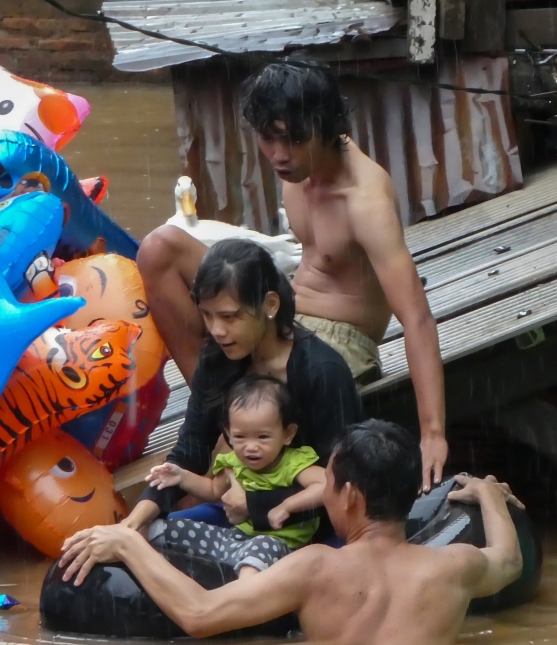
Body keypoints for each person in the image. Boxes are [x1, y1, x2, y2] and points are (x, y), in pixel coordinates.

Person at [137, 56, 449, 491]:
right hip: (286, 309)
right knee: (158, 250)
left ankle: (241, 434)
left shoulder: (364, 201)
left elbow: (416, 316)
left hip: (341, 339)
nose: (279, 155)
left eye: (294, 140)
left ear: (325, 128)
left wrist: (432, 434)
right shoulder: (296, 169)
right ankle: (223, 418)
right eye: (269, 139)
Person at [58, 420, 525, 645]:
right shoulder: (456, 566)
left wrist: (128, 543)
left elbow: (199, 614)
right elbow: (509, 560)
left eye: (331, 484)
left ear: (353, 498)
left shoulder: (316, 568)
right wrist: (488, 493)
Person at [120, 238, 363, 535]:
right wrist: (134, 522)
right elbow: (191, 449)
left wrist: (255, 504)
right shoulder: (218, 359)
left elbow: (344, 484)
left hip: (307, 529)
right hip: (242, 518)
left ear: (270, 305)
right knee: (152, 534)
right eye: (207, 315)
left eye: (230, 316)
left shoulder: (322, 372)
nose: (217, 330)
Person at [146, 375, 326, 577]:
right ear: (228, 433)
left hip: (280, 548)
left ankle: (241, 596)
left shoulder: (293, 463)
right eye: (240, 437)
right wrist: (181, 477)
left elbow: (326, 485)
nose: (250, 447)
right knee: (158, 529)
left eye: (263, 437)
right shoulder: (234, 461)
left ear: (288, 434)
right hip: (235, 540)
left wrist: (286, 506)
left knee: (258, 553)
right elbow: (213, 490)